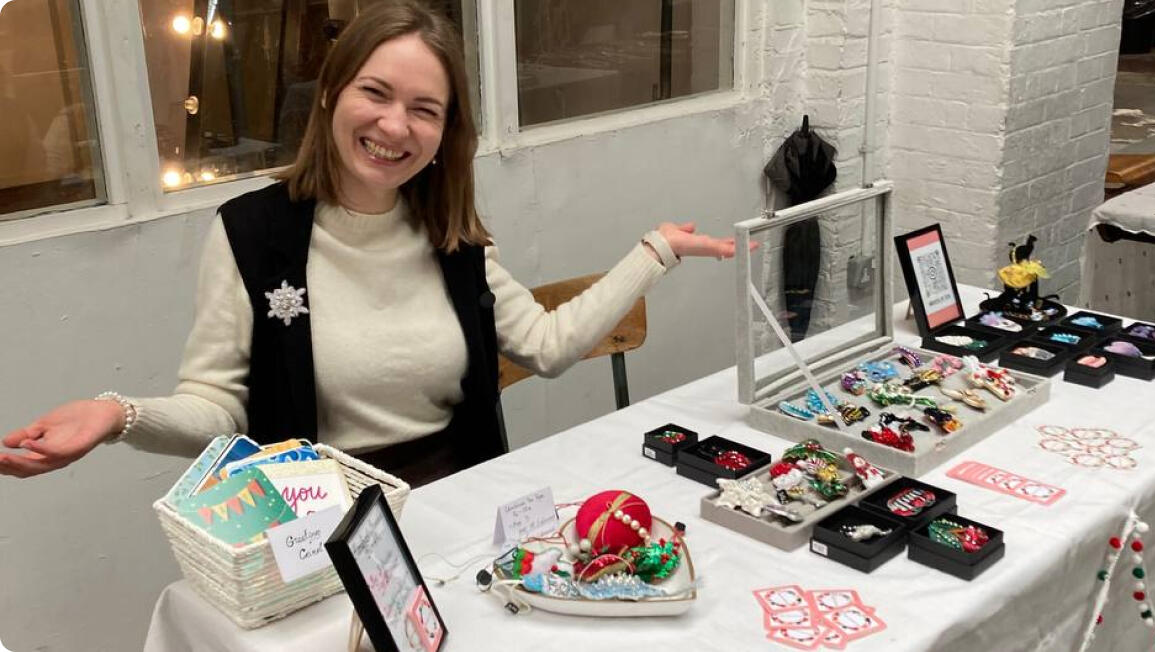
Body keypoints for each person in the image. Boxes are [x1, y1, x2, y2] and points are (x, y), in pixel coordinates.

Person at [0, 0, 746, 487]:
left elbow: (546, 348)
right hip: (319, 529)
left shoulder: (452, 235)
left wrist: (656, 251)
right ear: (331, 92)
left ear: (444, 132)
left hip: (459, 507)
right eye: (376, 93)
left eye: (425, 109)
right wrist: (117, 416)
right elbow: (220, 410)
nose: (395, 126)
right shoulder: (252, 236)